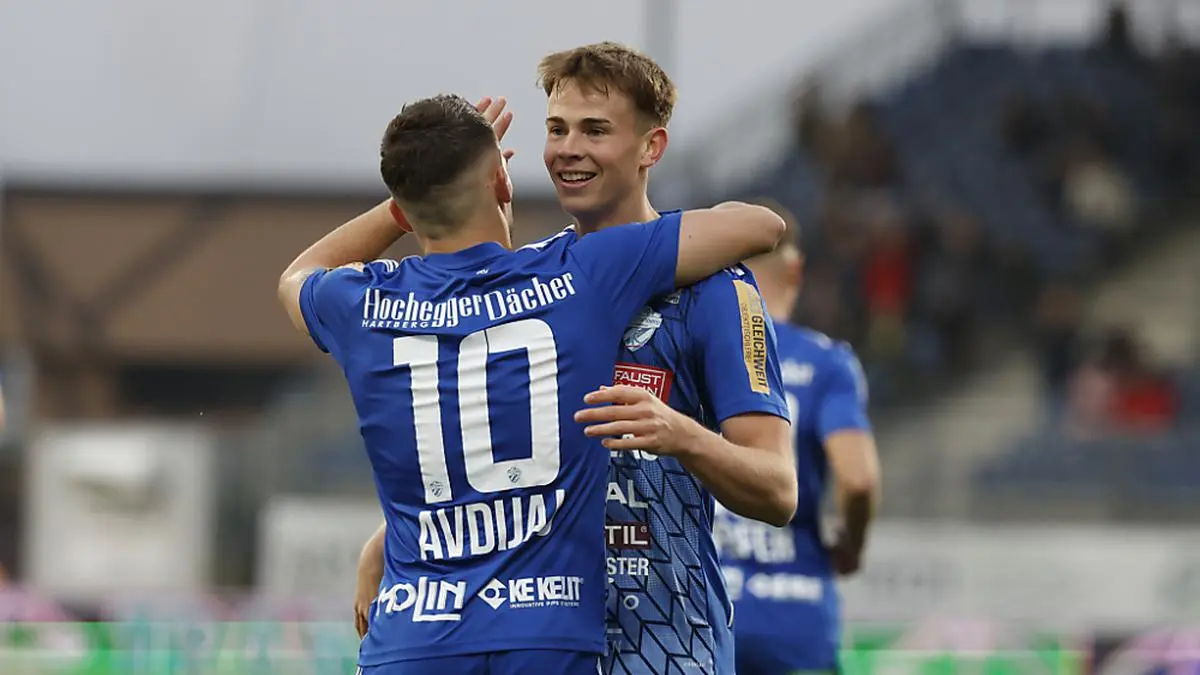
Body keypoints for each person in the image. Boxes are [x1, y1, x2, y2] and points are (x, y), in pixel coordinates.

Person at [278, 93, 786, 675]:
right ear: (502, 181)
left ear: (405, 205)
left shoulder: (365, 304)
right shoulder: (573, 276)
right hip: (542, 631)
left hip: (411, 638)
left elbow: (297, 275)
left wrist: (408, 199)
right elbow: (759, 226)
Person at [714, 203, 881, 675]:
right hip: (796, 616)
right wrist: (852, 542)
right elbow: (859, 479)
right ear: (796, 269)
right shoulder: (826, 364)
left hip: (706, 613)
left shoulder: (690, 355)